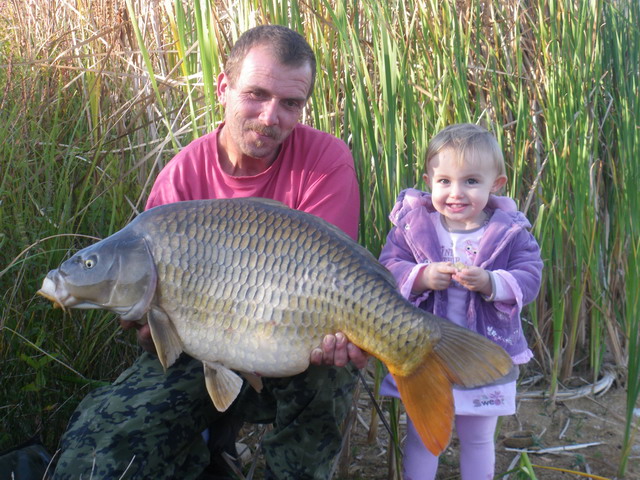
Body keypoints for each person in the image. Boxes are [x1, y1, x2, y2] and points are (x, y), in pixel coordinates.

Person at [52, 25, 368, 480]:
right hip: (199, 358)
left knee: (332, 369)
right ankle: (206, 458)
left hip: (292, 354)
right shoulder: (180, 180)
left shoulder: (325, 161)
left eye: (290, 103)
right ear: (224, 86)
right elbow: (154, 336)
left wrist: (348, 335)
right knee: (97, 451)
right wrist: (147, 322)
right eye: (256, 94)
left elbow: (333, 284)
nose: (270, 117)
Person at [378, 123, 543, 480]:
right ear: (428, 181)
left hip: (483, 355)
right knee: (423, 434)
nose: (456, 192)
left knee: (479, 438)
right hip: (425, 354)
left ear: (495, 185)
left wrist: (491, 283)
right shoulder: (412, 227)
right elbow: (387, 268)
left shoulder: (509, 231)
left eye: (471, 181)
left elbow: (530, 277)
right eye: (444, 181)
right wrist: (420, 276)